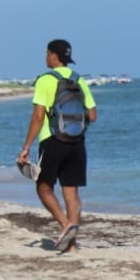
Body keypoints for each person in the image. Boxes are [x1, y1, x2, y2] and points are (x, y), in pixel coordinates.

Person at [17, 39, 97, 252]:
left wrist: (26, 147)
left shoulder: (45, 80)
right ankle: (71, 247)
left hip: (52, 140)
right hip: (77, 143)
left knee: (43, 187)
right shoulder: (79, 80)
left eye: (46, 53)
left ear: (53, 55)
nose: (45, 57)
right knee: (71, 193)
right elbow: (93, 115)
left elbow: (38, 116)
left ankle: (65, 224)